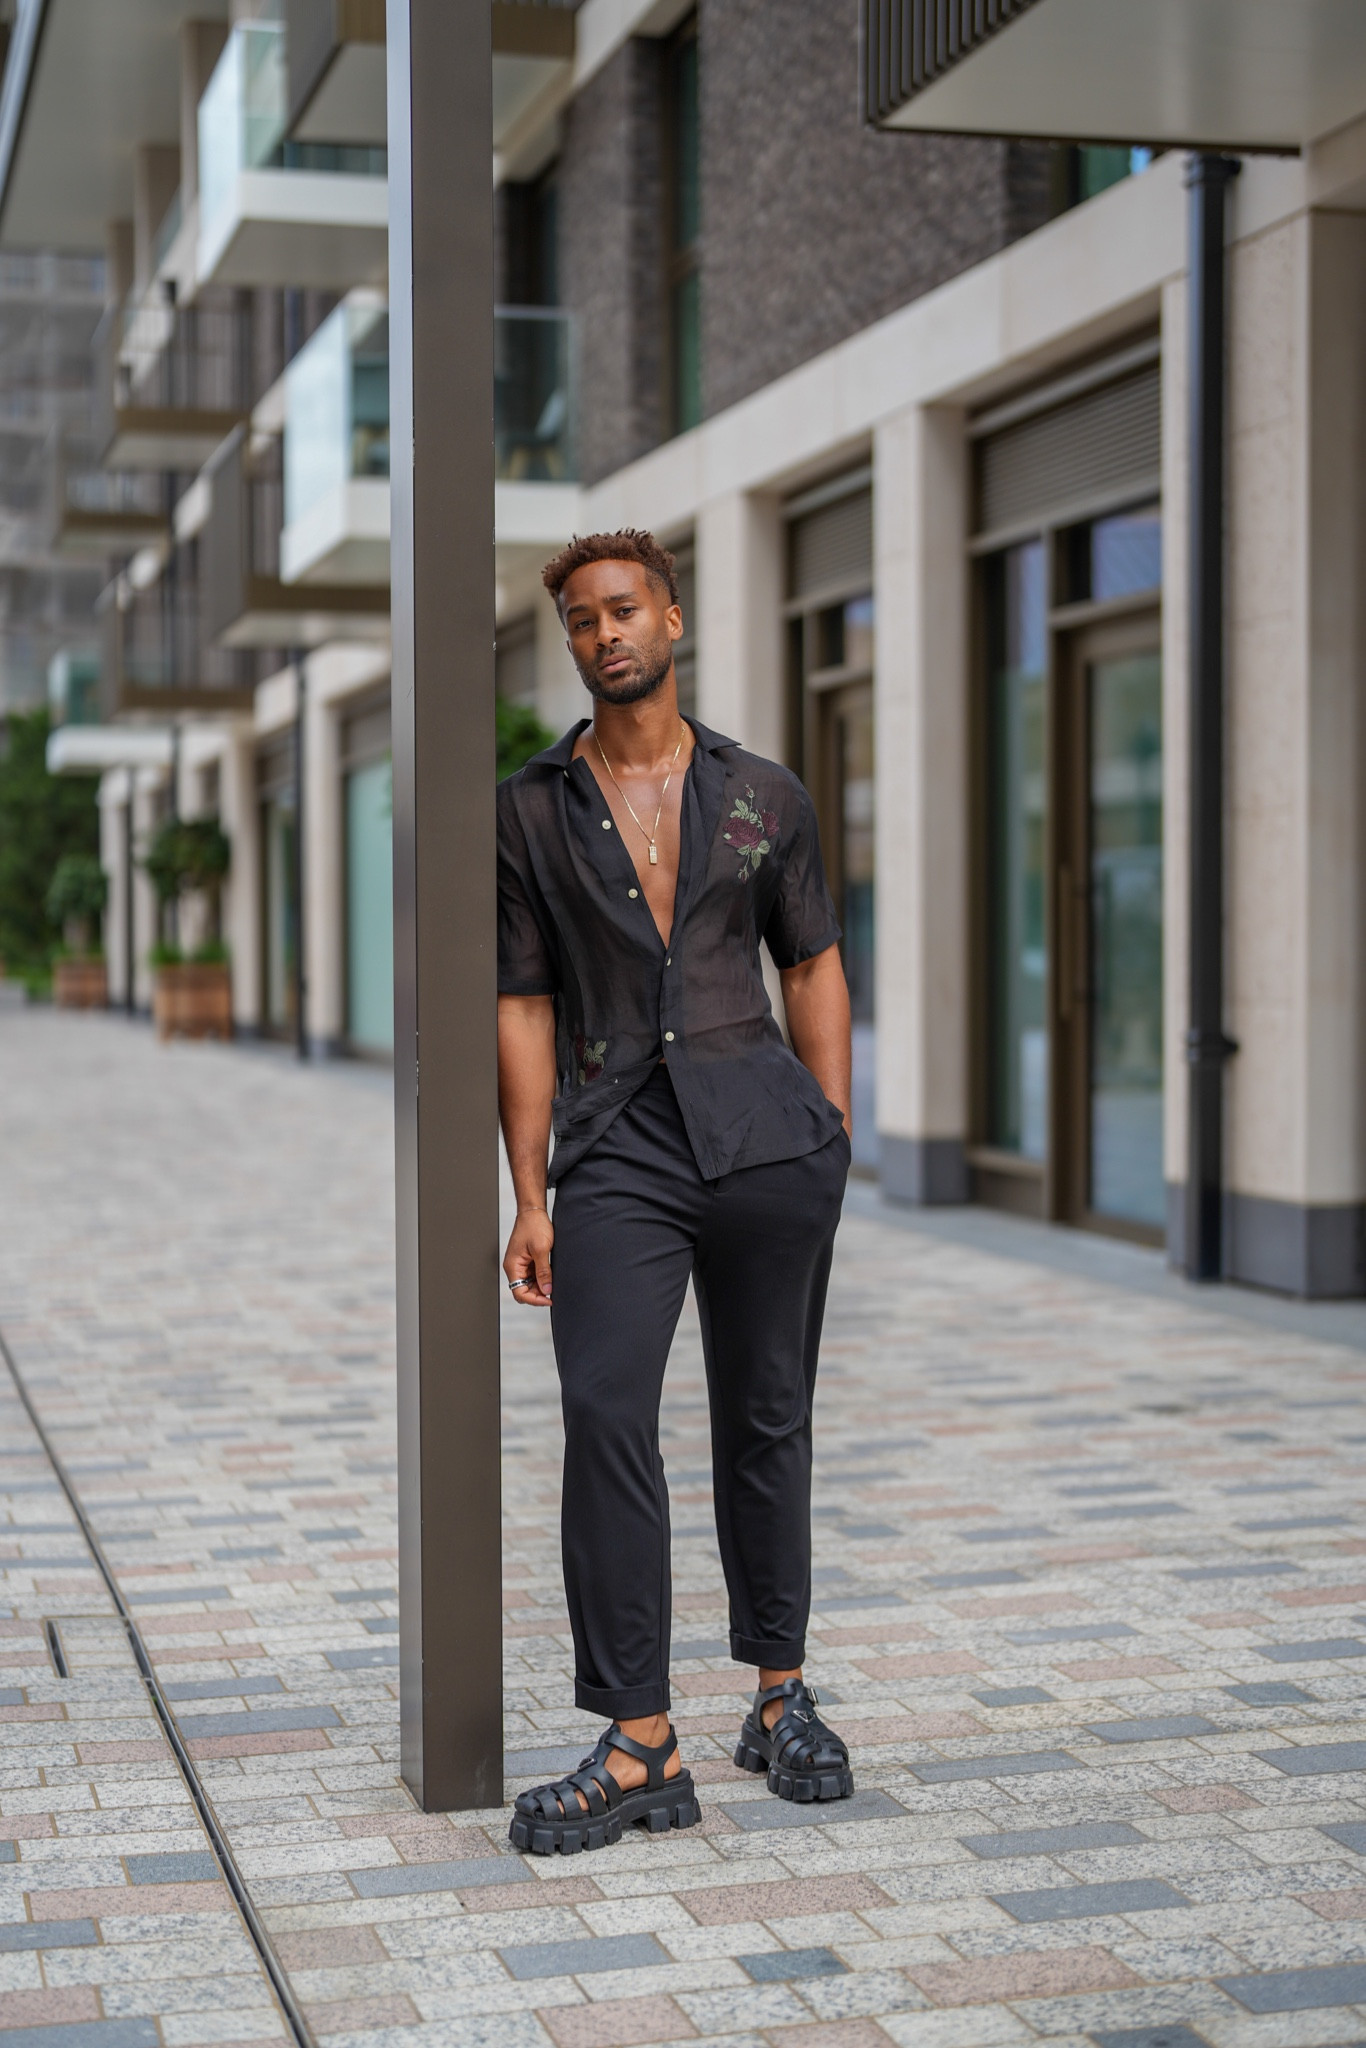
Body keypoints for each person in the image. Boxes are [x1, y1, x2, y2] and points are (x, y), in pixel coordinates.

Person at [498, 528, 855, 1856]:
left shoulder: (764, 792)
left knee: (768, 1418)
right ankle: (639, 1736)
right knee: (603, 1413)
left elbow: (811, 960)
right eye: (583, 620)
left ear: (672, 617)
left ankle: (779, 1697)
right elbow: (519, 1004)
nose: (605, 634)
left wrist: (829, 1130)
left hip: (763, 1139)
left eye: (624, 610)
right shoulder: (527, 807)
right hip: (615, 1149)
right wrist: (530, 1191)